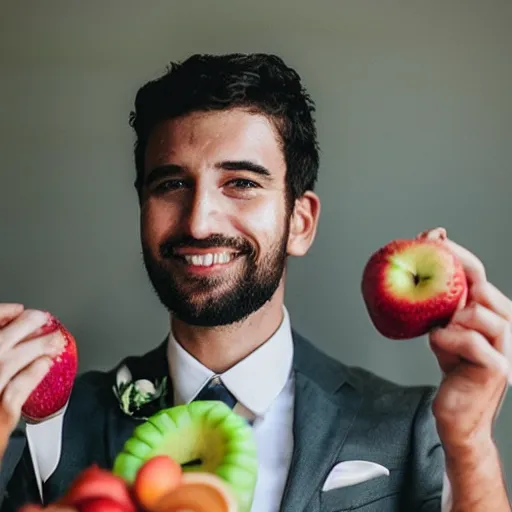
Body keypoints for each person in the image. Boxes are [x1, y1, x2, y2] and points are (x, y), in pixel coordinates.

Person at [0, 53, 511, 512]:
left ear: (300, 222)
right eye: (172, 184)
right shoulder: (52, 423)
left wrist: (469, 443)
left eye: (241, 183)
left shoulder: (411, 425)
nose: (200, 222)